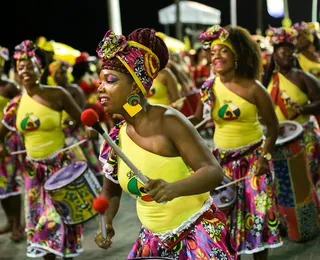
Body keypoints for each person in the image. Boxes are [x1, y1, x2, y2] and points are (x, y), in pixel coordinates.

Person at [93, 28, 237, 260]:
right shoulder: (115, 137)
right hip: (152, 240)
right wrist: (106, 220)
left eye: (110, 81)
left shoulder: (169, 121)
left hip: (196, 237)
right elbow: (110, 192)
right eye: (101, 81)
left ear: (134, 87)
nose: (100, 88)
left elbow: (213, 172)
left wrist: (173, 188)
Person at [197, 25, 282, 260]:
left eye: (223, 51)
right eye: (213, 52)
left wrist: (265, 158)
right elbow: (197, 118)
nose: (216, 57)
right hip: (221, 165)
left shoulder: (256, 89)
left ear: (238, 55)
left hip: (254, 161)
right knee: (225, 222)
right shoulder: (208, 88)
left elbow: (273, 127)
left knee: (257, 219)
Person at [0, 40, 83, 259]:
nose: (24, 71)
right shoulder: (15, 104)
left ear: (41, 67)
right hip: (32, 172)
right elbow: (1, 133)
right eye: (20, 67)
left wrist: (86, 128)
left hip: (59, 167)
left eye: (29, 66)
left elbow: (81, 120)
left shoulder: (58, 95)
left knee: (58, 218)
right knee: (40, 223)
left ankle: (65, 255)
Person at [263, 27, 320, 239]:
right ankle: (288, 223)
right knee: (282, 183)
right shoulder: (268, 79)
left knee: (306, 178)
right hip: (279, 139)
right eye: (282, 52)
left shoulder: (303, 77)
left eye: (290, 52)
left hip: (303, 136)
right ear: (274, 56)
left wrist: (303, 109)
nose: (286, 56)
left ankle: (310, 220)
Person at [0, 46, 24, 242]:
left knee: (11, 184)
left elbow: (21, 112)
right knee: (1, 187)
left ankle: (18, 224)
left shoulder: (9, 87)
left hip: (8, 141)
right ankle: (9, 220)